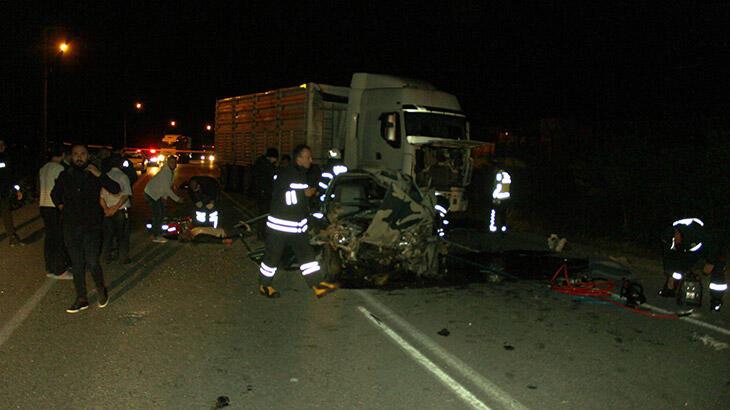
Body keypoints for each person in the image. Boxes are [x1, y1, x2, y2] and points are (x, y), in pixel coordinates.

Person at [258, 144, 338, 299]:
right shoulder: (289, 174)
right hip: (281, 226)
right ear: (299, 158)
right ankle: (264, 285)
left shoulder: (299, 173)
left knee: (307, 256)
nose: (311, 159)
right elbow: (296, 195)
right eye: (308, 157)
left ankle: (317, 284)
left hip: (296, 226)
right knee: (272, 257)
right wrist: (309, 192)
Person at [51, 144, 120, 313]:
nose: (79, 157)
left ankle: (101, 290)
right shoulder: (65, 174)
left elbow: (115, 189)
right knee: (77, 264)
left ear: (88, 155)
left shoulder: (94, 174)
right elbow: (54, 194)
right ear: (71, 156)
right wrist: (61, 206)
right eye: (75, 154)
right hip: (71, 227)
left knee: (92, 261)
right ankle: (81, 298)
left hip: (92, 226)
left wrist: (99, 174)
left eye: (82, 154)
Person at [659, 218, 726, 312]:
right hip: (692, 250)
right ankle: (671, 290)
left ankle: (716, 301)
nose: (676, 244)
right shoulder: (668, 238)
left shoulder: (693, 229)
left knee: (717, 273)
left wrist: (711, 262)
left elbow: (714, 244)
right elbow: (668, 258)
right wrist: (670, 276)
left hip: (712, 249)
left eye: (675, 241)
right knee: (677, 267)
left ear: (677, 233)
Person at [39, 148, 71, 279]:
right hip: (54, 206)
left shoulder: (43, 168)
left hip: (43, 205)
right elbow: (62, 189)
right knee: (58, 238)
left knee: (50, 238)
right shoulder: (58, 169)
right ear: (62, 154)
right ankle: (60, 270)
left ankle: (50, 268)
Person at [100, 155, 133, 264]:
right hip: (120, 210)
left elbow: (101, 196)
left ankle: (105, 257)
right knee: (122, 235)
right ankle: (123, 257)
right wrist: (115, 208)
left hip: (107, 210)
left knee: (108, 236)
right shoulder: (123, 176)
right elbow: (126, 195)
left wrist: (106, 209)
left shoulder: (105, 176)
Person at [144, 156, 182, 243]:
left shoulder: (170, 172)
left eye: (175, 162)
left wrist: (164, 199)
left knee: (160, 213)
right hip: (151, 194)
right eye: (171, 162)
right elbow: (167, 189)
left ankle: (156, 234)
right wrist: (177, 199)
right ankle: (156, 235)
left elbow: (165, 187)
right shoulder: (166, 172)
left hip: (155, 194)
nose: (174, 164)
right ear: (167, 163)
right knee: (158, 214)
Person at [0, 137, 22, 247]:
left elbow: (11, 176)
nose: (1, 147)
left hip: (3, 193)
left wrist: (17, 189)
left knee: (6, 215)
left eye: (2, 144)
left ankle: (12, 237)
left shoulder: (7, 159)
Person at [489, 168, 511, 233]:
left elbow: (498, 186)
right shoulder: (506, 174)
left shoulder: (499, 174)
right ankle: (503, 227)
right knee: (503, 214)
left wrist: (494, 196)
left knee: (494, 212)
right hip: (506, 198)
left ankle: (493, 226)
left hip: (498, 198)